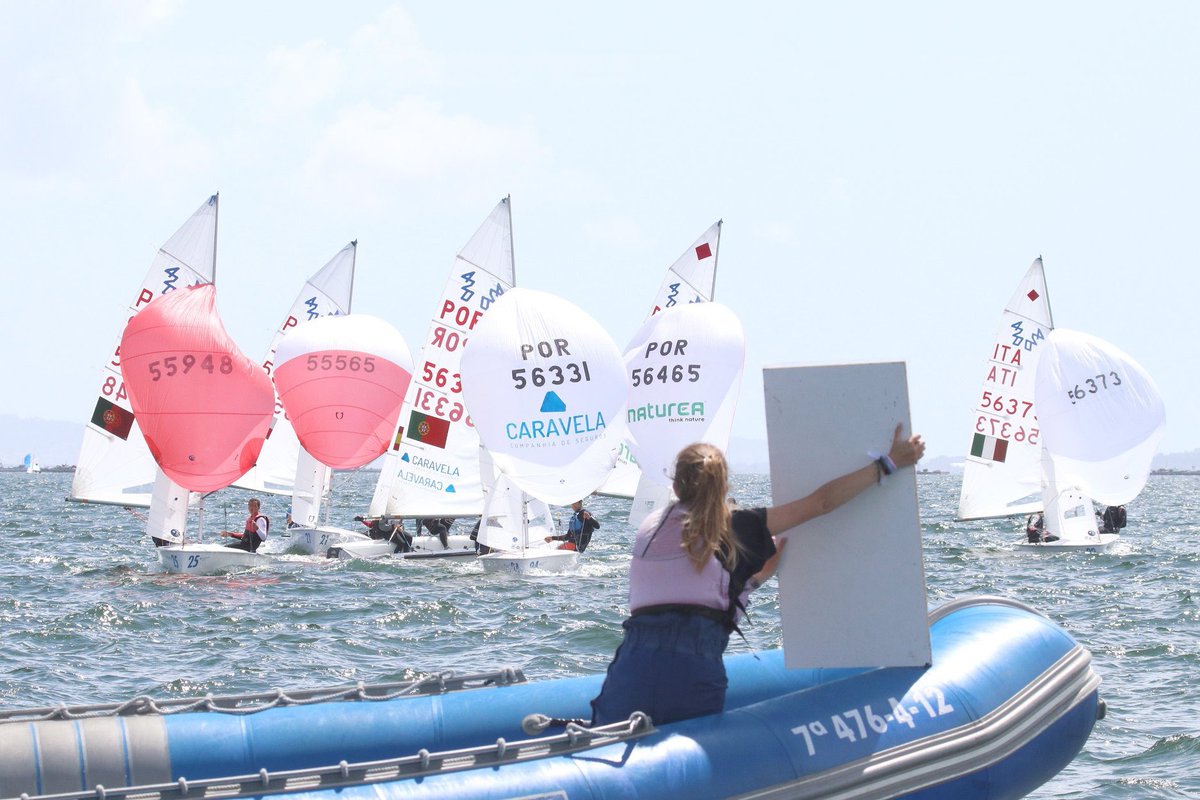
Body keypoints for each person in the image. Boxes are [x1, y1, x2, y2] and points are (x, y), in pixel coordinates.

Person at [589, 424, 924, 727]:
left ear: (675, 487)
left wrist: (753, 581)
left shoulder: (648, 529)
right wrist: (888, 463)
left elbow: (684, 594)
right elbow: (821, 504)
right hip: (692, 676)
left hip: (629, 673)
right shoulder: (737, 526)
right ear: (724, 486)